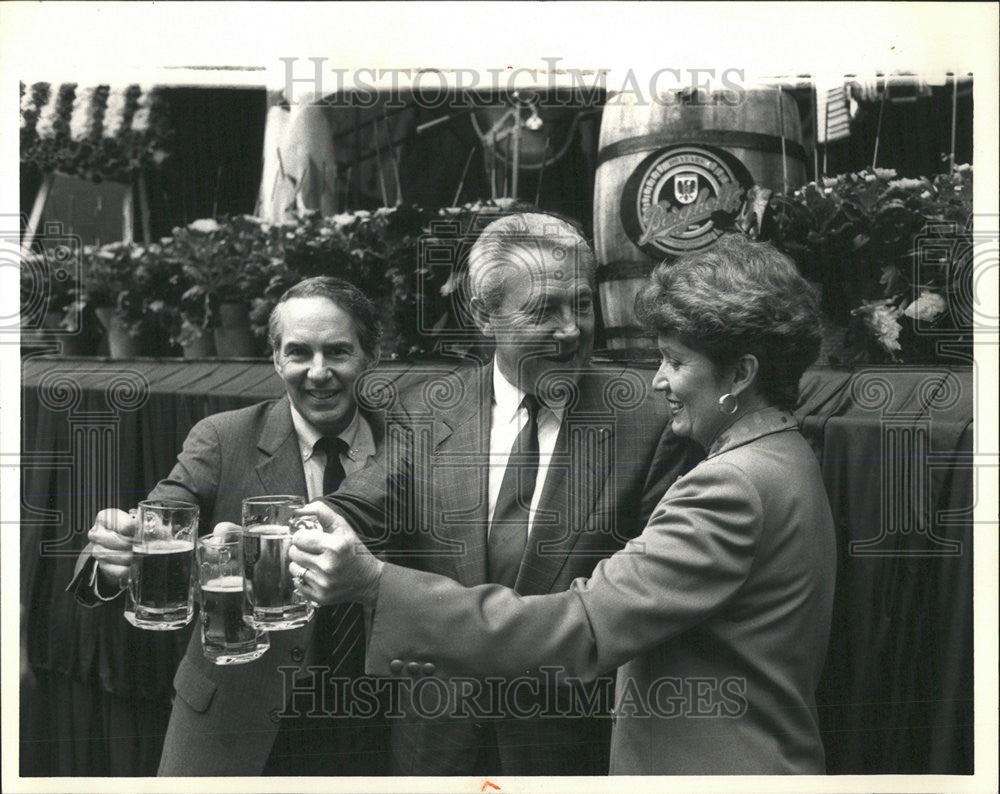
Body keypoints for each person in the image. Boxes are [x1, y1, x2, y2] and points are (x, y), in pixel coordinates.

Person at [288, 233, 837, 775]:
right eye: (544, 309)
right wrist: (314, 525)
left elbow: (588, 624)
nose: (657, 379)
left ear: (740, 374)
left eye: (581, 304)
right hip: (444, 746)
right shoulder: (781, 455)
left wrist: (373, 583)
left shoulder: (720, 477)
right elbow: (370, 496)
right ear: (485, 315)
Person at [68, 276, 390, 776]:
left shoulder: (407, 446)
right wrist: (113, 556)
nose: (318, 372)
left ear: (370, 357)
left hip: (370, 730)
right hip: (232, 724)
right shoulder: (224, 438)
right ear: (277, 360)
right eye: (299, 352)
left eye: (339, 352)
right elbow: (154, 519)